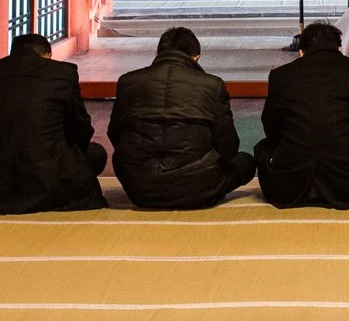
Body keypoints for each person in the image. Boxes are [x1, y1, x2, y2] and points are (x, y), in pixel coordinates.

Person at [0, 32, 107, 213]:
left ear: (13, 53)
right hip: (50, 179)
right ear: (48, 55)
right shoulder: (63, 73)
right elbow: (80, 128)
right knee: (96, 153)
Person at [109, 26, 255, 209]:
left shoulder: (128, 82)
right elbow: (229, 147)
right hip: (198, 188)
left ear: (158, 53)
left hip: (140, 188)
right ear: (196, 57)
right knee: (245, 162)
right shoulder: (212, 85)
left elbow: (115, 134)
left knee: (118, 158)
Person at [256, 21, 349, 208]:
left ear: (301, 51)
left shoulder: (280, 75)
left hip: (288, 186)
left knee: (262, 149)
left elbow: (271, 131)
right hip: (348, 183)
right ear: (339, 48)